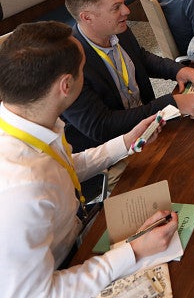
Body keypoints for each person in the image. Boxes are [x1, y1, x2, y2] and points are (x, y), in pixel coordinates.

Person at [0, 21, 179, 297]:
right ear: (66, 85)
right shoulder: (21, 188)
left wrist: (124, 143)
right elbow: (39, 292)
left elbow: (65, 167)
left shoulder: (28, 120)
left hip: (78, 232)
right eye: (83, 69)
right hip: (66, 269)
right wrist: (133, 251)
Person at [62, 0, 194, 151]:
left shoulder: (117, 28)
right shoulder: (68, 63)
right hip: (115, 150)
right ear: (87, 17)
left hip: (149, 128)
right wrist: (170, 103)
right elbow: (102, 126)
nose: (126, 11)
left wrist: (178, 71)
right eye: (116, 7)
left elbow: (140, 58)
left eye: (123, 3)